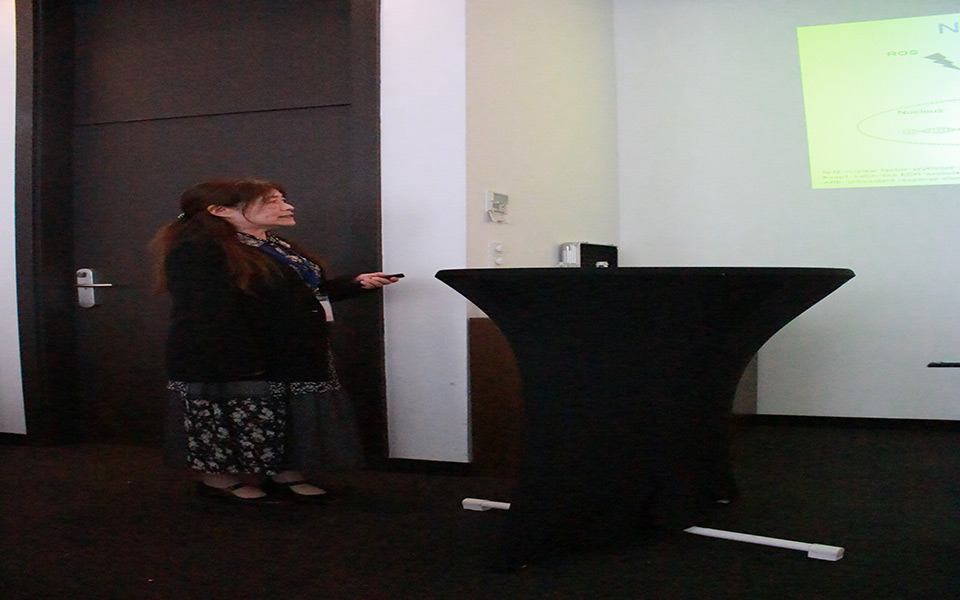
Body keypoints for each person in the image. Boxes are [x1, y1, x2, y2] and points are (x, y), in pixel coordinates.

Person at [152, 177, 400, 503]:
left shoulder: (272, 244)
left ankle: (283, 474)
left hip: (290, 350)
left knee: (284, 415)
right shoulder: (198, 249)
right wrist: (239, 359)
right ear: (220, 210)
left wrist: (354, 284)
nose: (286, 206)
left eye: (282, 198)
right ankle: (219, 481)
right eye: (272, 201)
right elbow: (206, 311)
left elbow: (299, 293)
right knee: (230, 416)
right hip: (233, 352)